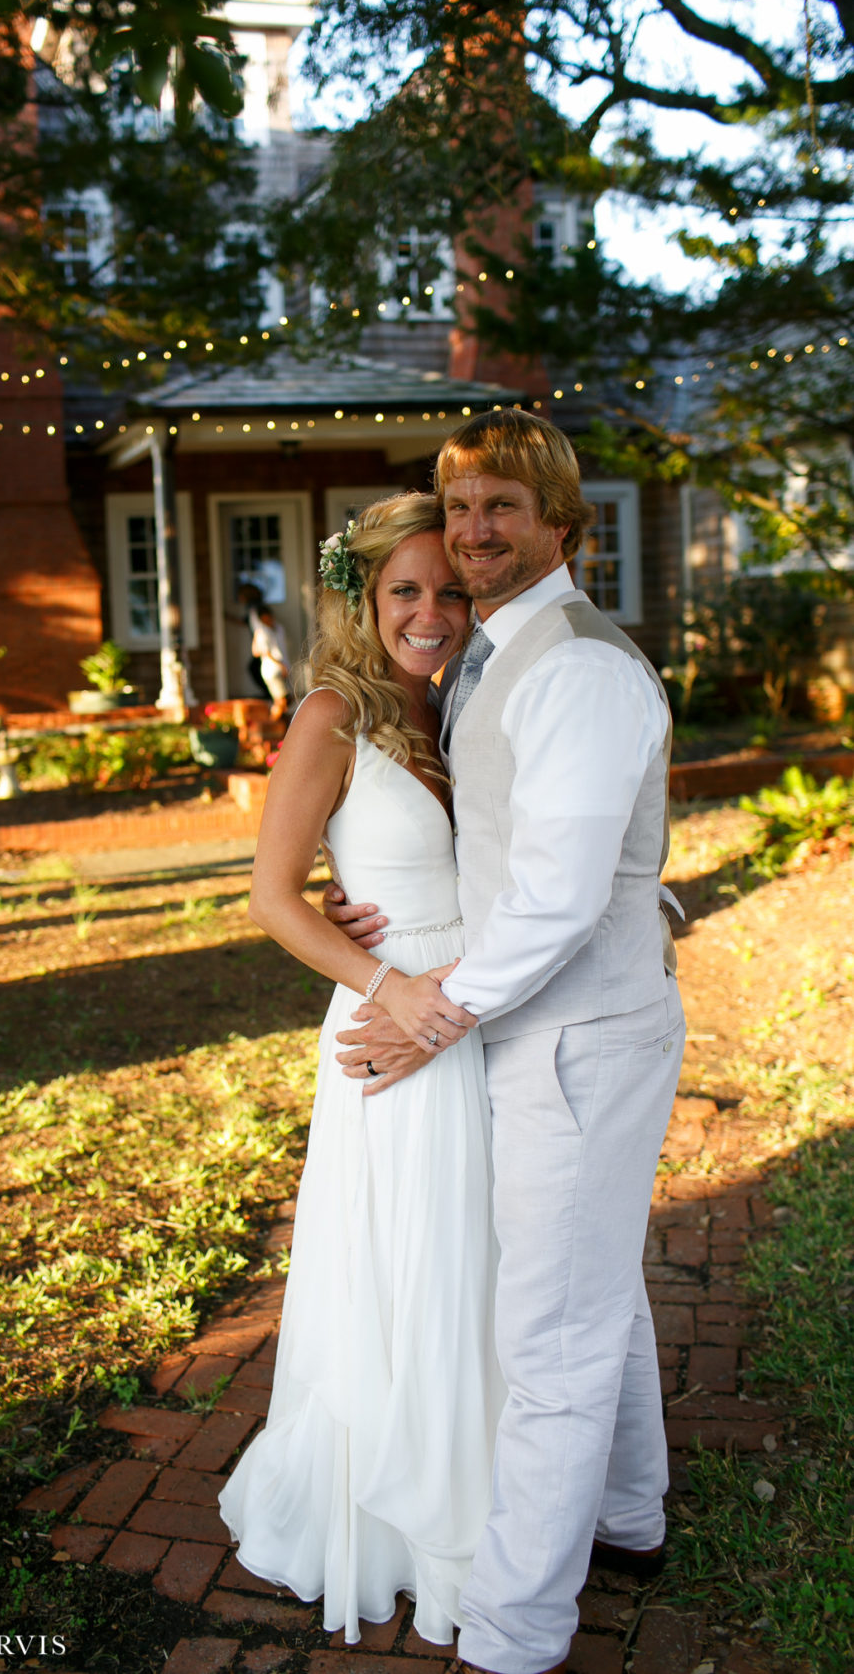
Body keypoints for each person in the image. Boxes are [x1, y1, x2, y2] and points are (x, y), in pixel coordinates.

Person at [327, 411, 685, 1674]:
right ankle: (628, 1516)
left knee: (550, 1336)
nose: (473, 531)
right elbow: (493, 844)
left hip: (574, 1035)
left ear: (560, 525)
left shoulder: (575, 668)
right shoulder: (494, 649)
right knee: (591, 1288)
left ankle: (515, 1633)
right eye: (461, 505)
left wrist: (431, 1014)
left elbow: (557, 899)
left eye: (501, 508)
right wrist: (376, 895)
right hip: (534, 1023)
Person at [218, 494, 505, 1647]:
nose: (430, 613)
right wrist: (391, 988)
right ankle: (394, 1520)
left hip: (476, 1012)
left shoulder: (458, 703)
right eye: (405, 591)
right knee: (403, 1269)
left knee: (470, 1269)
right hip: (394, 1032)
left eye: (450, 591)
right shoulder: (330, 714)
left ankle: (484, 1494)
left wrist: (448, 992)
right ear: (363, 597)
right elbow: (271, 898)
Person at [250, 602, 292, 719]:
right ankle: (272, 721)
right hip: (272, 670)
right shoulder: (262, 632)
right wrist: (281, 665)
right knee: (281, 700)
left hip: (281, 668)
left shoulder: (277, 629)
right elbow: (259, 652)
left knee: (287, 699)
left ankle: (278, 722)